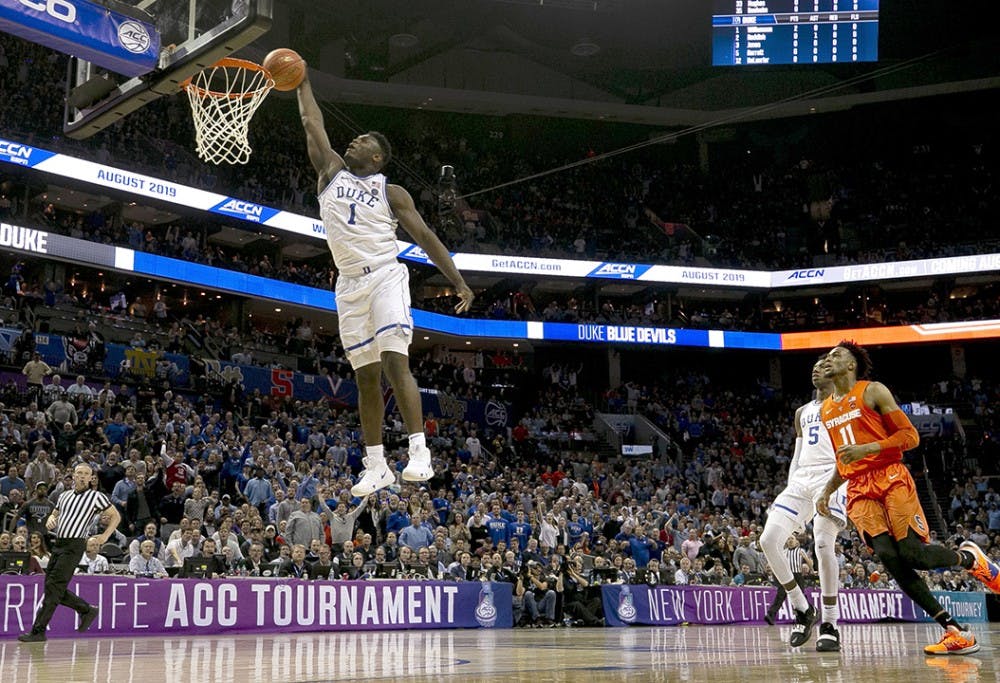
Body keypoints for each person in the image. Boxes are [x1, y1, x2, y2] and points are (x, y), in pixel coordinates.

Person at [297, 72, 475, 497]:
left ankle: (419, 451)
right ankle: (376, 465)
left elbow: (427, 238)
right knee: (365, 379)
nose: (353, 142)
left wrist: (459, 282)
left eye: (363, 142)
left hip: (384, 277)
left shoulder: (391, 192)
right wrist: (301, 81)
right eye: (354, 139)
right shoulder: (331, 173)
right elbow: (311, 123)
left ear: (377, 159)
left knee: (396, 363)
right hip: (348, 287)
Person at [816, 341, 1000, 656]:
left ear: (851, 366)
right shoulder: (826, 408)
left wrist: (869, 448)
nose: (829, 358)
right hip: (859, 488)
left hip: (889, 475)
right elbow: (843, 458)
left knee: (913, 555)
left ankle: (972, 560)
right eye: (828, 354)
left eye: (837, 355)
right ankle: (954, 631)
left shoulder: (872, 391)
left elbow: (910, 437)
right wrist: (828, 489)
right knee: (889, 557)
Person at [760, 359, 846, 651]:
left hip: (832, 475)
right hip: (801, 480)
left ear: (836, 374)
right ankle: (801, 607)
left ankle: (831, 623)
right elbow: (797, 455)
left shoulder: (846, 405)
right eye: (815, 365)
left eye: (824, 366)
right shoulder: (801, 412)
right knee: (769, 540)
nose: (816, 368)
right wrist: (790, 485)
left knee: (823, 545)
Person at [18, 463, 119, 642]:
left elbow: (116, 516)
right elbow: (55, 514)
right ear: (73, 475)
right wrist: (50, 519)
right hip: (59, 543)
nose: (81, 476)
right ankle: (86, 610)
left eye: (85, 474)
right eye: (79, 473)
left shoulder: (96, 496)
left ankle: (38, 631)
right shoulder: (64, 496)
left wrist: (104, 536)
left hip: (74, 545)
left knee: (54, 586)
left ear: (90, 478)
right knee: (51, 586)